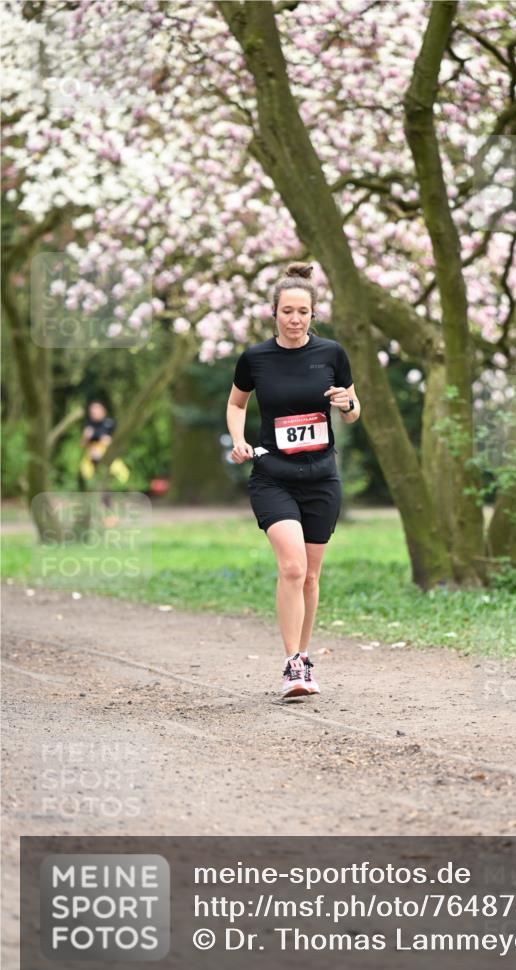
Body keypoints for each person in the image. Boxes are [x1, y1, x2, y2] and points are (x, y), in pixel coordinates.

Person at [226, 262, 360, 698]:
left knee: (311, 577)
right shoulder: (255, 359)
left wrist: (346, 403)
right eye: (287, 311)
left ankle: (303, 661)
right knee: (292, 567)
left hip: (322, 478)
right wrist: (238, 440)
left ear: (312, 314)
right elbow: (237, 405)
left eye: (303, 311)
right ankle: (292, 664)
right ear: (275, 313)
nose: (295, 318)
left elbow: (354, 409)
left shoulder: (332, 355)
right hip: (273, 477)